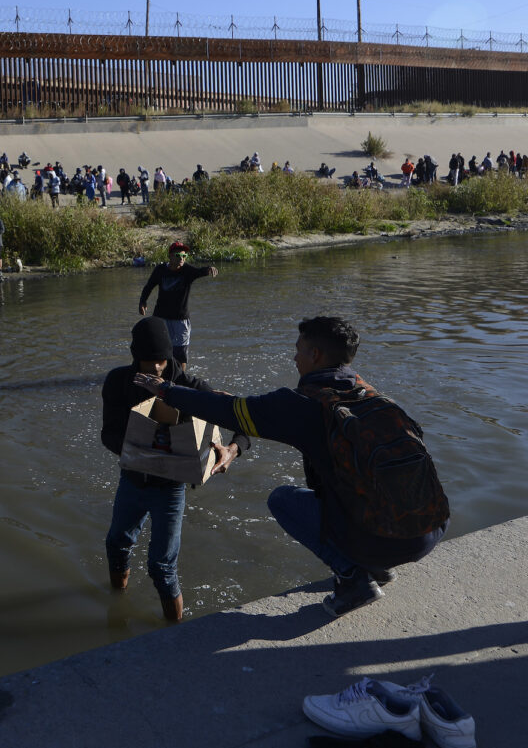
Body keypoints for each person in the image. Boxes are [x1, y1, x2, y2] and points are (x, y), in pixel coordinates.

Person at [132, 316, 450, 618]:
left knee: (283, 500)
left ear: (315, 354)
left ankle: (354, 579)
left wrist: (166, 390)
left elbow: (229, 412)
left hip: (382, 540)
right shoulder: (369, 395)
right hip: (428, 532)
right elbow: (241, 407)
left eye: (298, 350)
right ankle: (378, 565)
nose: (295, 358)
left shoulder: (304, 405)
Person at [102, 317, 249, 622]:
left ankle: (174, 631)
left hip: (169, 488)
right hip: (132, 479)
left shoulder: (189, 387)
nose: (155, 368)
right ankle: (116, 607)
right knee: (116, 544)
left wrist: (231, 450)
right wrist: (135, 447)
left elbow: (243, 422)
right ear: (134, 356)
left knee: (162, 566)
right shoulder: (118, 382)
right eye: (148, 361)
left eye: (161, 361)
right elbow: (108, 433)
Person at [138, 241, 218, 368]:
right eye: (178, 256)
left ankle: (181, 380)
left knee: (180, 354)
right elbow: (148, 287)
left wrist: (209, 269)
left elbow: (200, 271)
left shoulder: (187, 271)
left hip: (181, 320)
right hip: (161, 317)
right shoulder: (160, 270)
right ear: (170, 256)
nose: (182, 259)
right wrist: (142, 302)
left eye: (184, 256)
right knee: (159, 349)